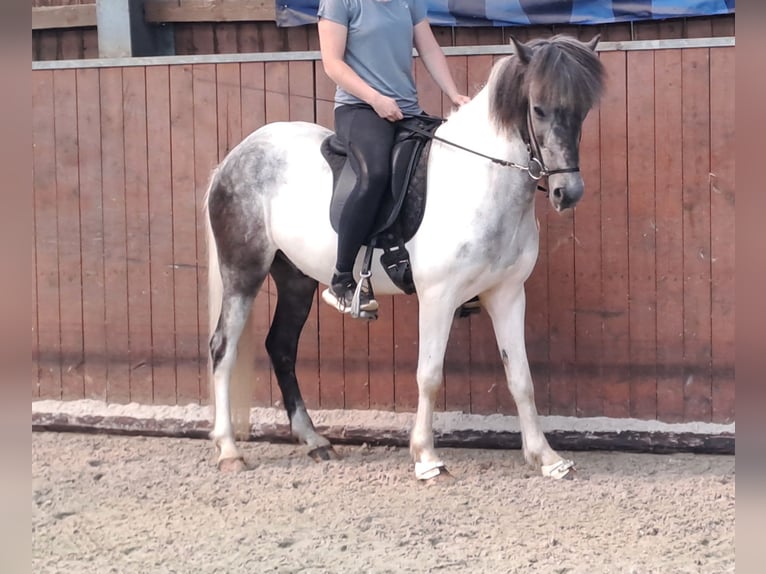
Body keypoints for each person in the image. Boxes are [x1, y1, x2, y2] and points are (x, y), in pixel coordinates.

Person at [317, 0, 471, 315]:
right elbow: (332, 63)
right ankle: (342, 279)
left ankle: (457, 273)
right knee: (374, 175)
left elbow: (429, 50)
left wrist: (453, 94)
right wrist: (375, 99)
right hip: (359, 109)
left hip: (406, 111)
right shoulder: (340, 2)